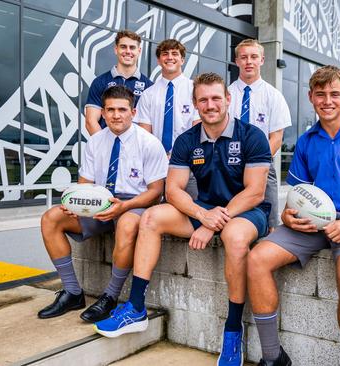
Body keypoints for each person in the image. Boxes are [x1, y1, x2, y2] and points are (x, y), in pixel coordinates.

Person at [95, 73, 271, 366]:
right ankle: (136, 307)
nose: (210, 105)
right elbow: (173, 190)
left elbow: (255, 193)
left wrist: (212, 222)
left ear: (228, 100)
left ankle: (232, 330)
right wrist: (202, 216)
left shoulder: (251, 135)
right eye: (203, 99)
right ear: (195, 104)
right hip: (205, 209)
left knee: (235, 238)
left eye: (216, 98)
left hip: (246, 212)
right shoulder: (187, 140)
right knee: (151, 217)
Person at [247, 66, 340, 366]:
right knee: (256, 259)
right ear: (310, 97)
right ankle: (273, 356)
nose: (327, 101)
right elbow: (299, 194)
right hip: (313, 223)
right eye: (320, 94)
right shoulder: (306, 141)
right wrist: (289, 218)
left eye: (334, 94)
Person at [38, 86, 168, 323]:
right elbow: (84, 184)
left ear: (133, 112)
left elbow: (156, 193)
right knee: (51, 218)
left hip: (134, 203)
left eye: (122, 109)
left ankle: (110, 296)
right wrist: (73, 203)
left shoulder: (149, 143)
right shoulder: (95, 141)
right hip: (98, 203)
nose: (116, 115)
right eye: (110, 110)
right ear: (103, 114)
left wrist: (123, 207)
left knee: (127, 223)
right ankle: (72, 292)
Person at [228, 39, 292, 229]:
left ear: (262, 60)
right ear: (236, 61)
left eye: (254, 57)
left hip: (264, 167)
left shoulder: (274, 96)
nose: (249, 61)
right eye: (244, 57)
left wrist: (255, 164)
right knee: (230, 219)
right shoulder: (226, 95)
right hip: (229, 167)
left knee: (270, 226)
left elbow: (277, 138)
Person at [134, 38, 200, 154]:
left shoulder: (195, 89)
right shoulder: (148, 94)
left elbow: (198, 129)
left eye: (175, 54)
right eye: (165, 54)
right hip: (156, 158)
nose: (170, 57)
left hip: (188, 156)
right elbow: (144, 134)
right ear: (159, 61)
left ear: (182, 60)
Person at [84, 30, 153, 135]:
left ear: (139, 51)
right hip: (106, 148)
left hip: (136, 149)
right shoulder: (100, 82)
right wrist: (104, 147)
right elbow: (90, 121)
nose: (128, 51)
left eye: (132, 47)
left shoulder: (149, 86)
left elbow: (149, 124)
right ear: (116, 49)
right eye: (123, 47)